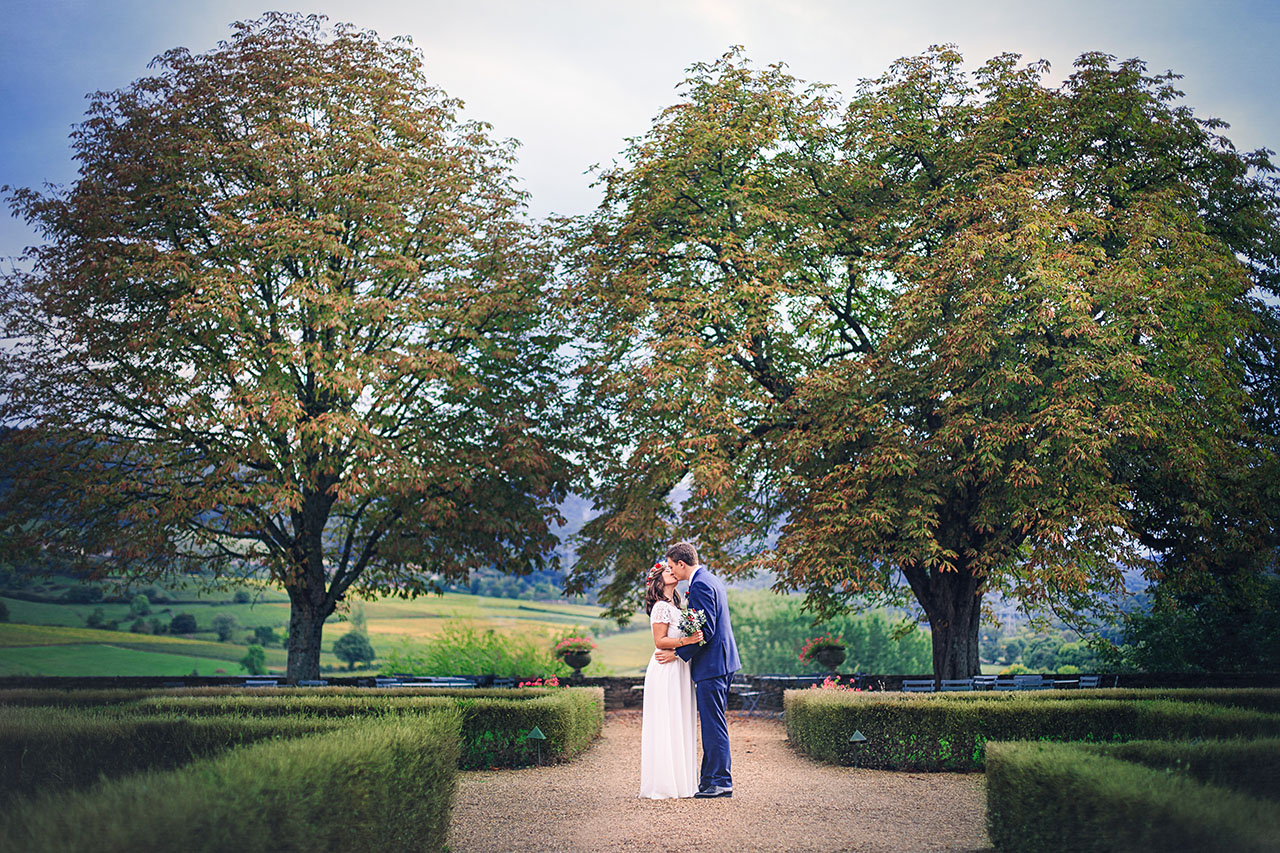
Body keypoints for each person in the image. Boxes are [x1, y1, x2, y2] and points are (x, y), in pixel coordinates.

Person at [656, 541, 741, 798]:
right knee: (712, 722)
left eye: (672, 566)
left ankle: (720, 781)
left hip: (713, 664)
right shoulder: (709, 579)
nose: (671, 571)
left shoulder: (701, 584)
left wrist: (677, 653)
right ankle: (709, 780)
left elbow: (705, 630)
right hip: (719, 662)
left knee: (713, 724)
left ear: (682, 564)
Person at [639, 559, 703, 799]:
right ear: (658, 580)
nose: (672, 571)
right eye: (666, 570)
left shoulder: (676, 605)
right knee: (667, 721)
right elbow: (660, 641)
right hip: (666, 669)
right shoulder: (660, 607)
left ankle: (682, 781)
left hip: (679, 667)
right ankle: (665, 783)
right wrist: (687, 641)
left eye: (671, 568)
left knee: (679, 719)